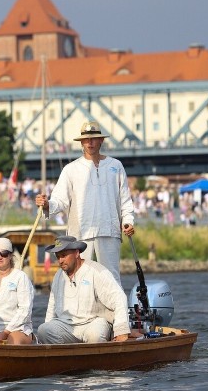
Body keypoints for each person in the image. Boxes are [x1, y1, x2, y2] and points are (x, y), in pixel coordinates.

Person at [35, 121, 135, 285]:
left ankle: (114, 310)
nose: (90, 142)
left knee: (111, 280)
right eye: (87, 139)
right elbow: (59, 200)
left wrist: (128, 222)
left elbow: (125, 200)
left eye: (94, 139)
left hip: (109, 231)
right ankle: (79, 311)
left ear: (101, 140)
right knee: (80, 278)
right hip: (81, 235)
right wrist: (46, 205)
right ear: (81, 142)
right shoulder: (71, 169)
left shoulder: (116, 166)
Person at [36, 236, 131, 344]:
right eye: (58, 257)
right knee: (43, 330)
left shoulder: (97, 271)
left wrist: (121, 330)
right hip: (66, 326)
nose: (60, 261)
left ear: (77, 253)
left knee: (95, 335)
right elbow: (51, 306)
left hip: (93, 322)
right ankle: (64, 358)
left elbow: (119, 298)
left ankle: (93, 358)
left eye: (63, 256)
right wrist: (45, 338)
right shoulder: (58, 276)